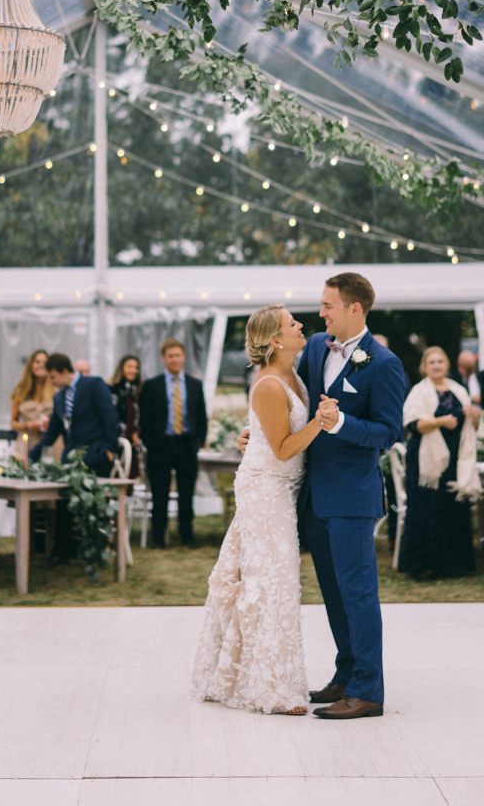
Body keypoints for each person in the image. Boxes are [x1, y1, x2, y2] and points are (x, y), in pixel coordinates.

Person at [191, 305, 325, 714]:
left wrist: (255, 437)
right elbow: (284, 449)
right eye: (292, 323)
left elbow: (273, 435)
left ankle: (242, 674)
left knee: (274, 582)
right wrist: (321, 422)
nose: (301, 325)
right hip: (266, 489)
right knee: (272, 584)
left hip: (280, 485)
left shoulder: (294, 374)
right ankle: (269, 689)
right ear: (276, 341)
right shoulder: (268, 384)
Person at [299, 272, 405, 720]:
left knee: (359, 594)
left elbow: (390, 431)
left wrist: (342, 424)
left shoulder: (383, 364)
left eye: (328, 305)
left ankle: (368, 691)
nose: (320, 312)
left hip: (353, 498)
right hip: (315, 496)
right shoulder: (312, 349)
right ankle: (346, 674)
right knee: (333, 593)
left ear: (354, 308)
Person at [399, 347, 482, 579]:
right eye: (432, 362)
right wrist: (439, 421)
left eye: (440, 361)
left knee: (452, 510)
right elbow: (413, 424)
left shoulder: (459, 390)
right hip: (427, 459)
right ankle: (424, 566)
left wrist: (475, 416)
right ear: (424, 366)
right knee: (427, 510)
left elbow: (469, 427)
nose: (436, 365)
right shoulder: (418, 391)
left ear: (447, 364)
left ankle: (454, 564)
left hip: (455, 458)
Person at [29, 352, 119, 565]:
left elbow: (110, 417)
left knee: (96, 503)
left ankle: (98, 549)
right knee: (62, 499)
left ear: (65, 372)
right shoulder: (59, 397)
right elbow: (54, 430)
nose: (50, 382)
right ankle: (62, 550)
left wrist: (109, 449)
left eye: (52, 377)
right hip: (72, 458)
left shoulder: (93, 384)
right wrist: (36, 449)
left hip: (97, 454)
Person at [139, 339, 208, 548]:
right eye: (170, 356)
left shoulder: (195, 384)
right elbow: (145, 420)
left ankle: (187, 535)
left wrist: (198, 441)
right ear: (163, 358)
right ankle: (158, 537)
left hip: (186, 446)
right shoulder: (152, 385)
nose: (174, 359)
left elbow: (201, 416)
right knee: (159, 494)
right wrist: (151, 444)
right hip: (160, 446)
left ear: (183, 357)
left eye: (178, 355)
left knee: (186, 494)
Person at [10, 349, 57, 455]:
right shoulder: (21, 391)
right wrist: (27, 426)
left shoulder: (55, 390)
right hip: (27, 441)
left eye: (44, 363)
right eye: (37, 362)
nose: (41, 365)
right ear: (31, 365)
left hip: (49, 442)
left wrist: (50, 423)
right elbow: (13, 422)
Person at [110, 354, 142, 479]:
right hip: (116, 440)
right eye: (129, 367)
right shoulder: (112, 389)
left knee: (130, 478)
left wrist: (136, 431)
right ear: (121, 368)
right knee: (115, 476)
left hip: (131, 441)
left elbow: (137, 416)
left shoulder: (137, 391)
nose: (133, 370)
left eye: (136, 367)